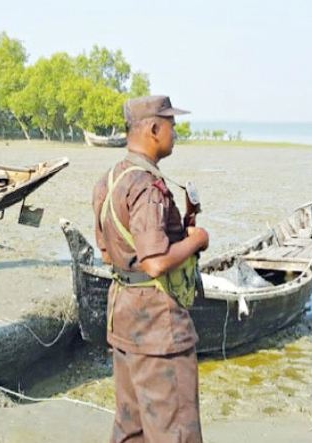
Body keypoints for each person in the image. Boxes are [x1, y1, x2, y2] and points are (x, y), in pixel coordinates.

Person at [92, 95, 209, 442]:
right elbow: (155, 262)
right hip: (158, 326)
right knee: (175, 429)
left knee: (132, 427)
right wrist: (197, 239)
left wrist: (182, 224)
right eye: (171, 125)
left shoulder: (110, 179)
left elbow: (109, 252)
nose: (175, 131)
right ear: (154, 129)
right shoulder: (147, 185)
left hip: (124, 315)